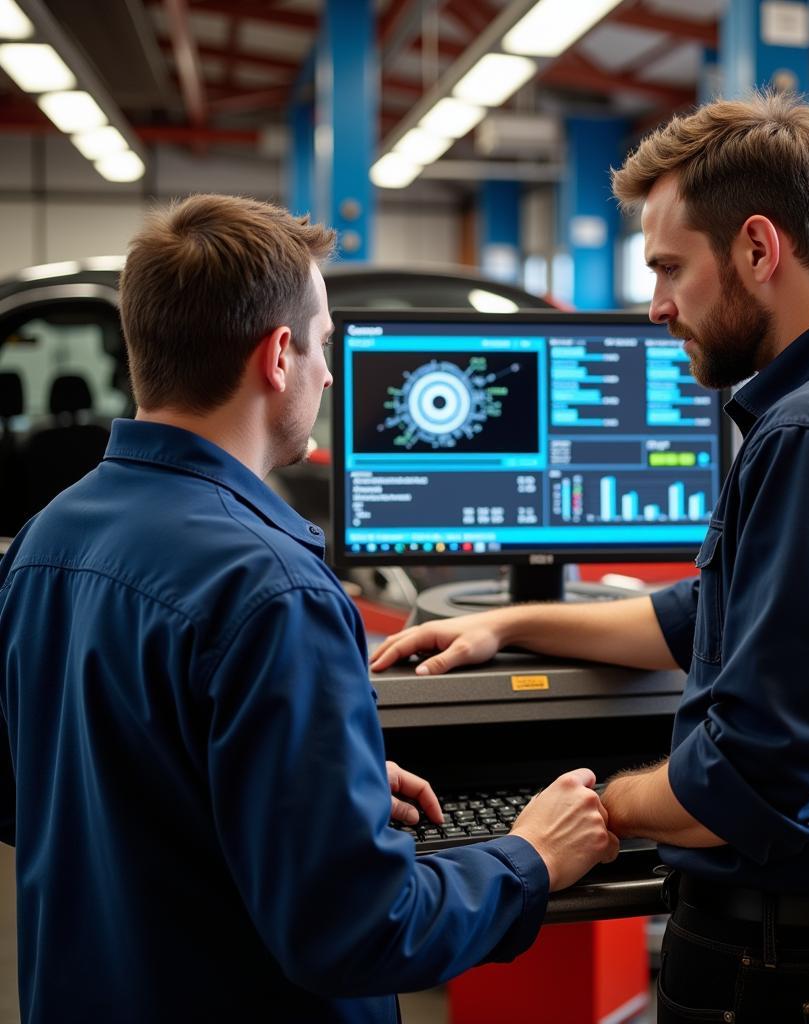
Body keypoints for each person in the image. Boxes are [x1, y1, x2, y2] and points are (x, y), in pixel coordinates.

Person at [371, 92, 809, 1020]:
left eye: (671, 267)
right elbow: (715, 614)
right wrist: (508, 623)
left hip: (798, 973)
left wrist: (587, 810)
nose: (656, 307)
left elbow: (754, 783)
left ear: (759, 249)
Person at [0, 194, 618, 1024]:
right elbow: (360, 929)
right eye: (325, 343)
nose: (331, 373)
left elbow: (35, 793)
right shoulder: (273, 589)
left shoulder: (46, 538)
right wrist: (529, 857)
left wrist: (304, 786)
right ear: (279, 355)